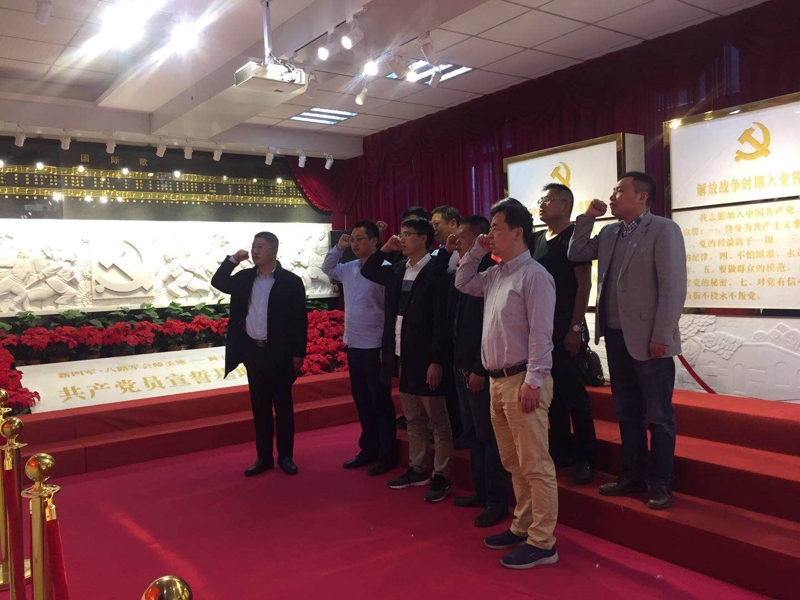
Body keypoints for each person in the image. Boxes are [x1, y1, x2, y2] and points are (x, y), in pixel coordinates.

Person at [568, 172, 686, 510]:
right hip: (616, 336)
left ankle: (661, 482)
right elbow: (577, 252)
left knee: (658, 415)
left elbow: (673, 287)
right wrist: (588, 217)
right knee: (626, 411)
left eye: (620, 190)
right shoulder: (609, 232)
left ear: (642, 197)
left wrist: (663, 335)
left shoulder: (663, 229)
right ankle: (632, 476)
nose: (613, 196)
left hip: (650, 339)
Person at [456, 199, 559, 570]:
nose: (490, 233)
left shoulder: (535, 275)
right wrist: (475, 251)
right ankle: (523, 525)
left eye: (496, 227)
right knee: (513, 462)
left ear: (517, 232)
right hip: (498, 381)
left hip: (522, 380)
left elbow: (541, 334)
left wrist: (534, 380)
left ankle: (543, 541)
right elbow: (463, 282)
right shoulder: (497, 273)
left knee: (535, 464)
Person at [361, 217, 454, 503]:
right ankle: (417, 468)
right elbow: (369, 270)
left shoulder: (436, 269)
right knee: (413, 417)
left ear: (423, 238)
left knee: (437, 420)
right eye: (401, 233)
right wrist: (386, 248)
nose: (402, 238)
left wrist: (437, 360)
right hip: (402, 354)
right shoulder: (399, 268)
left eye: (408, 234)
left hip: (426, 357)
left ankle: (442, 474)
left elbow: (441, 321)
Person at [211, 232, 308, 477]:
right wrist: (233, 259)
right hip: (253, 351)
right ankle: (263, 457)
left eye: (261, 247)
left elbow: (300, 319)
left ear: (274, 250)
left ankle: (285, 456)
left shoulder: (291, 281)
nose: (255, 251)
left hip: (280, 353)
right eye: (253, 246)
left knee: (283, 407)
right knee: (260, 408)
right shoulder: (244, 278)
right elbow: (218, 281)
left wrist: (298, 353)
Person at [436, 215, 510, 528]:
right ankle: (481, 491)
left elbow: (489, 326)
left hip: (481, 367)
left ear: (480, 237)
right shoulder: (464, 270)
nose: (456, 241)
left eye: (463, 235)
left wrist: (480, 367)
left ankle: (497, 499)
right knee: (473, 434)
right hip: (460, 363)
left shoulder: (490, 269)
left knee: (489, 436)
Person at [532, 183, 596, 485]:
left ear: (566, 204)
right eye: (541, 200)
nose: (542, 204)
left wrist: (575, 327)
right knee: (550, 393)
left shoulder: (574, 237)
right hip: (540, 327)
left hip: (566, 324)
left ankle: (586, 456)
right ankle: (560, 449)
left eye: (548, 200)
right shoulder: (535, 239)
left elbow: (584, 285)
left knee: (573, 393)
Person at [322, 220, 397, 476]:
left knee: (380, 402)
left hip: (375, 345)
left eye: (359, 239)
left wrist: (387, 345)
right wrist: (339, 247)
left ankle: (387, 454)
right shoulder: (350, 267)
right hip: (353, 344)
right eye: (352, 239)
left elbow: (390, 310)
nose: (354, 243)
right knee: (362, 401)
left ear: (375, 241)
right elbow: (327, 267)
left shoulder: (385, 269)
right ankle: (368, 449)